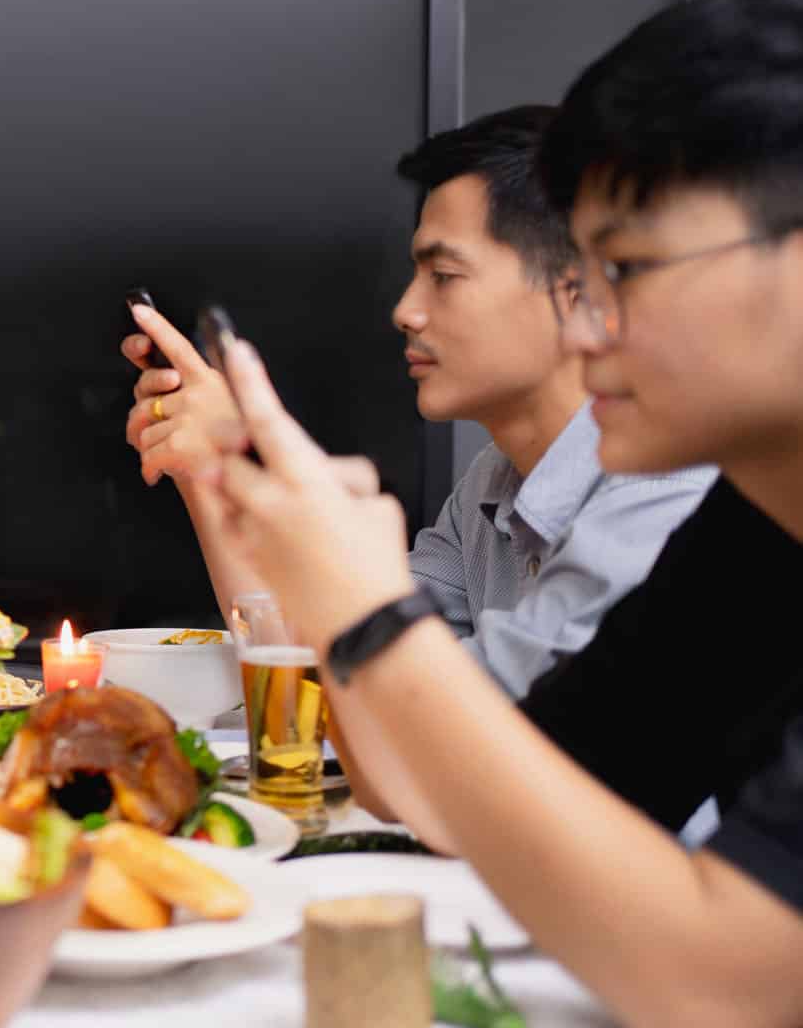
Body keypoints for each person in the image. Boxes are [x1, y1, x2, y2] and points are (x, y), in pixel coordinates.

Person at [192, 0, 803, 1028]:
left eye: (626, 270)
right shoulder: (755, 530)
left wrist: (375, 619)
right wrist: (332, 596)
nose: (591, 322)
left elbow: (708, 989)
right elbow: (447, 798)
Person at [123, 107, 714, 703]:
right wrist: (210, 471)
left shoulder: (663, 500)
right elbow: (323, 668)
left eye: (445, 275)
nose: (406, 310)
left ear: (573, 288)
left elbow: (429, 726)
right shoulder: (493, 482)